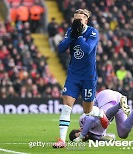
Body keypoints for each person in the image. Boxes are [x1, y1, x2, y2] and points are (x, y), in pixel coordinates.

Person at [53, 9, 108, 148]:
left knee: (88, 111)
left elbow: (88, 49)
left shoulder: (93, 32)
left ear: (86, 20)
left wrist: (78, 37)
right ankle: (61, 140)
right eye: (75, 19)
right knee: (66, 107)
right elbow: (60, 49)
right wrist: (72, 36)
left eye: (80, 19)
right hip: (73, 75)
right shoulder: (71, 31)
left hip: (88, 76)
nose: (77, 21)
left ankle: (100, 113)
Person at [69, 89, 133, 142]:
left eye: (78, 135)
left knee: (103, 118)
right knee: (123, 134)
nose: (82, 137)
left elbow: (90, 119)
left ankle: (120, 104)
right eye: (82, 138)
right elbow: (111, 137)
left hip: (106, 97)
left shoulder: (82, 122)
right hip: (115, 102)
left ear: (79, 130)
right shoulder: (95, 136)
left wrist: (81, 135)